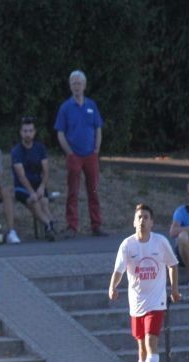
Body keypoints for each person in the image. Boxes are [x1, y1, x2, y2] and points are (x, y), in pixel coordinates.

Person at [109, 203, 180, 362]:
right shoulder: (127, 245)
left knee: (151, 340)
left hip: (156, 301)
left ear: (152, 222)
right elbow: (119, 270)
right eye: (139, 217)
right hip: (136, 302)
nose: (142, 221)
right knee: (141, 346)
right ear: (134, 222)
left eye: (146, 217)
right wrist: (112, 286)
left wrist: (174, 289)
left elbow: (172, 265)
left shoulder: (160, 242)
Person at [54, 70, 105, 238]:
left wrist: (97, 148)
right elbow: (60, 132)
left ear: (84, 85)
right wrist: (69, 152)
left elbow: (98, 127)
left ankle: (96, 225)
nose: (76, 86)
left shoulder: (91, 105)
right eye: (73, 83)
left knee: (94, 191)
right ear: (70, 86)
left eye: (79, 83)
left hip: (91, 155)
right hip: (74, 155)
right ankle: (72, 226)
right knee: (73, 192)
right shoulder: (65, 107)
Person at [11, 116, 56, 241]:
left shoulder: (40, 148)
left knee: (44, 202)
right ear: (21, 133)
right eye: (25, 131)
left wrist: (42, 187)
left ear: (34, 132)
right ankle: (49, 224)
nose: (28, 134)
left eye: (30, 131)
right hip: (22, 187)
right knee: (34, 201)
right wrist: (32, 192)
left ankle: (49, 227)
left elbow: (46, 170)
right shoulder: (16, 151)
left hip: (38, 184)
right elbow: (21, 176)